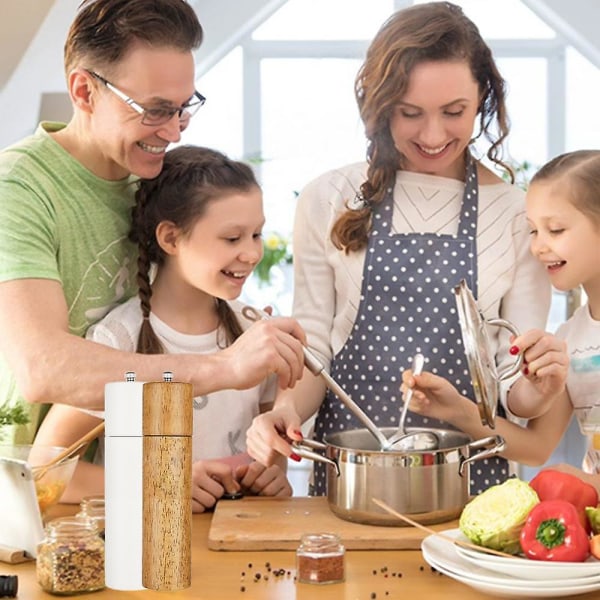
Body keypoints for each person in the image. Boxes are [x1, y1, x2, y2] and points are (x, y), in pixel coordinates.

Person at [246, 1, 557, 496]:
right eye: (409, 113)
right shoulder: (326, 198)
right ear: (379, 104)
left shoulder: (517, 215)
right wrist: (282, 412)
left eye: (454, 113)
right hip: (352, 484)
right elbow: (315, 354)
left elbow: (511, 387)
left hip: (473, 490)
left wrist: (538, 390)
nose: (433, 136)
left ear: (484, 99)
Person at [0, 0, 305, 444]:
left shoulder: (159, 180)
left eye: (184, 107)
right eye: (155, 110)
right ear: (84, 92)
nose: (175, 131)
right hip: (36, 495)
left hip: (139, 492)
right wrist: (222, 367)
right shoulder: (20, 188)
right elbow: (42, 368)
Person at [34, 145, 294, 511]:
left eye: (256, 234)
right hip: (149, 552)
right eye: (232, 238)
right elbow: (46, 469)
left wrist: (269, 472)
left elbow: (267, 447)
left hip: (237, 549)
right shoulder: (118, 343)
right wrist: (161, 481)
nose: (252, 253)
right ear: (170, 238)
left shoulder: (255, 331)